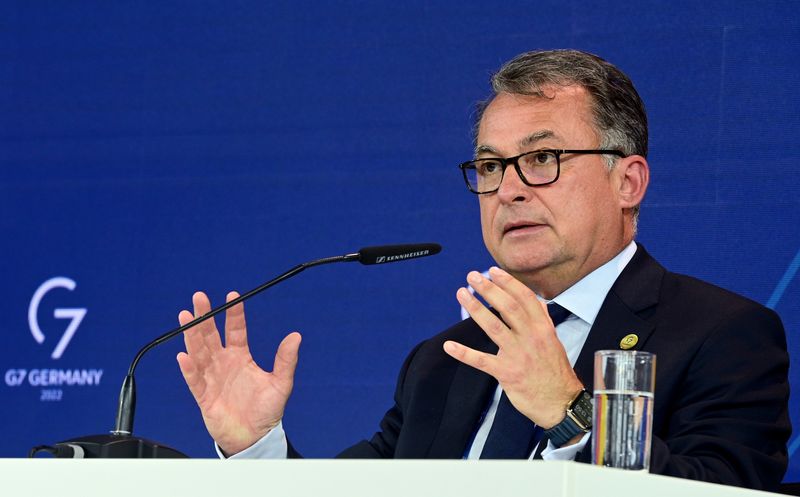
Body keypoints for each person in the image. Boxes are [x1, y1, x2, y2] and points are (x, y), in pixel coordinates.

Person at [176, 49, 791, 490]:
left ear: (627, 180)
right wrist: (255, 449)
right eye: (491, 166)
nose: (509, 190)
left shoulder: (722, 334)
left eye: (544, 157)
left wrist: (570, 414)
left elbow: (721, 492)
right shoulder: (445, 360)